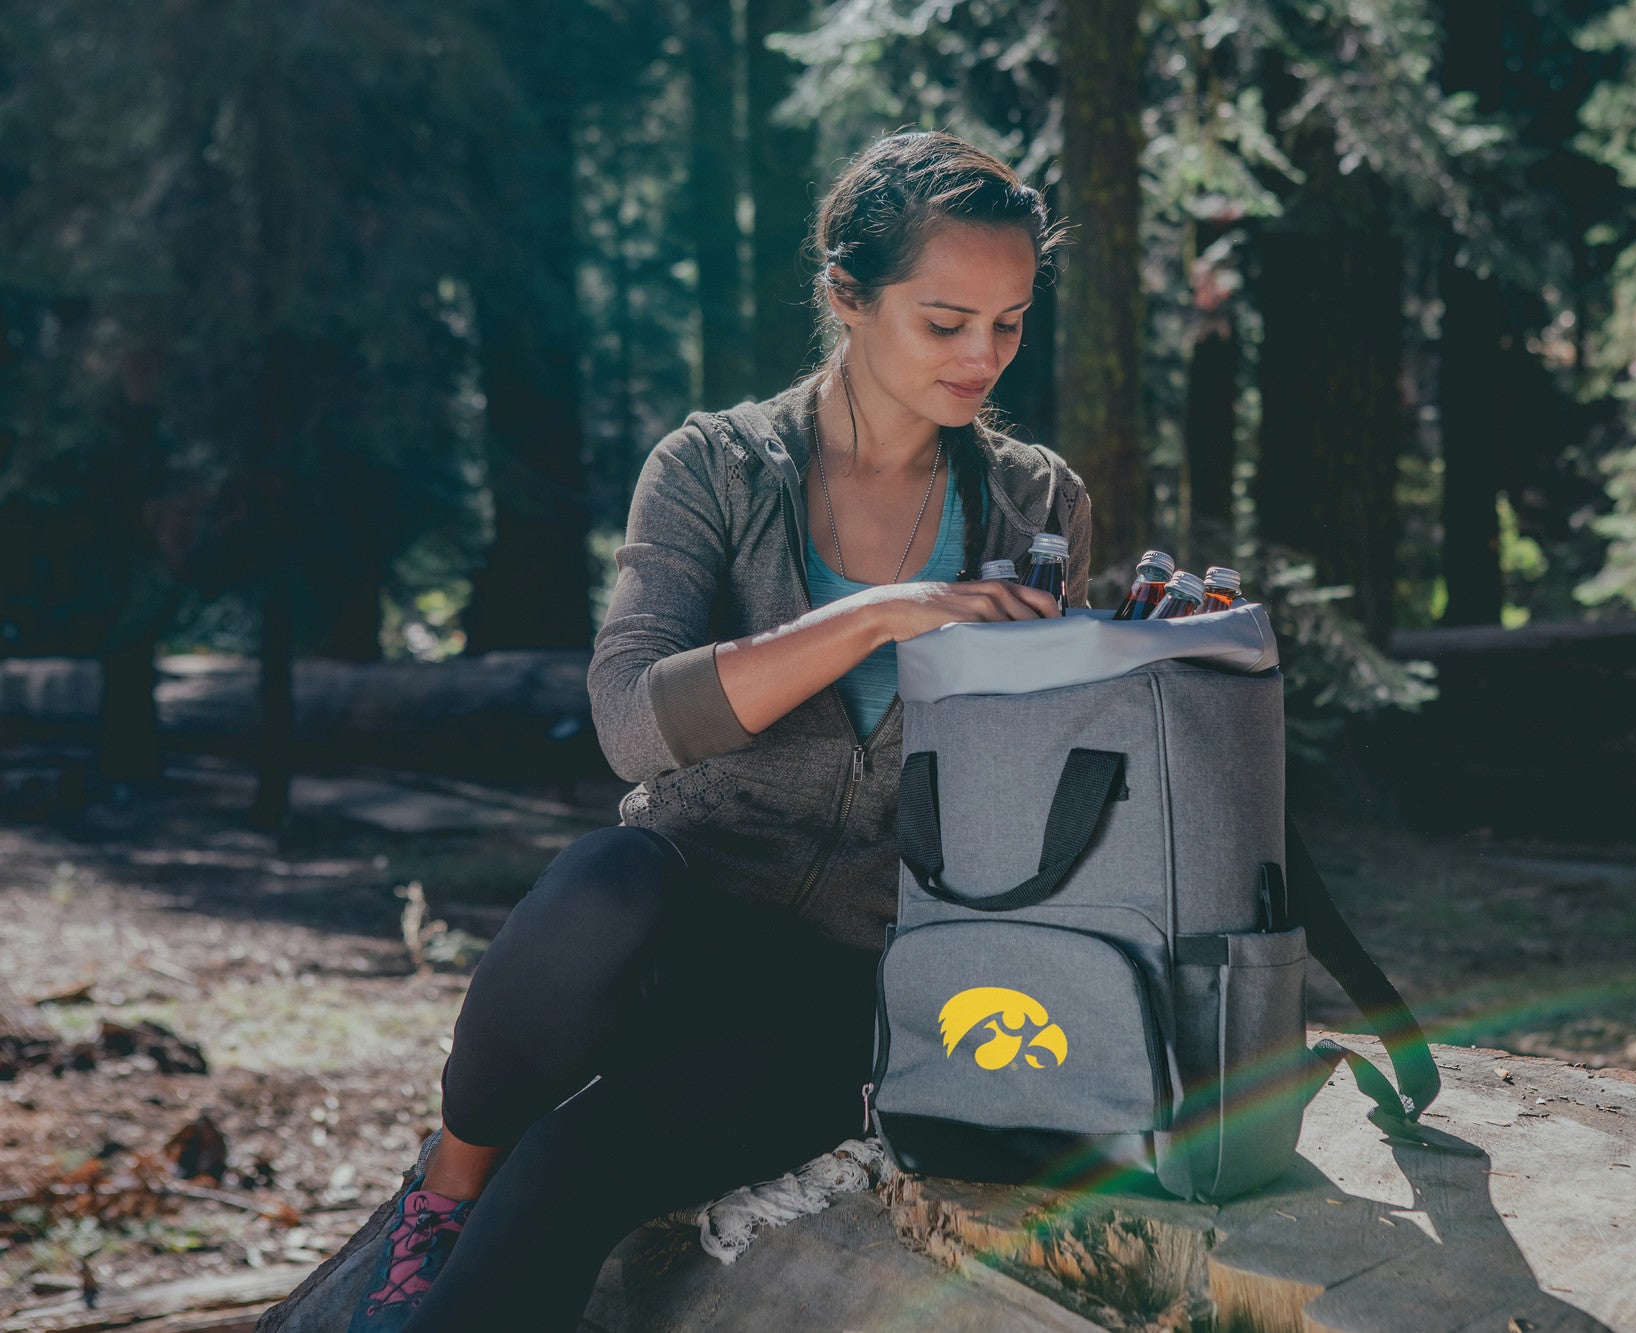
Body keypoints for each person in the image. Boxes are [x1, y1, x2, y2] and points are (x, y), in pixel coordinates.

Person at [261, 130, 1089, 1332]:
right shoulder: (713, 467)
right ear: (845, 297)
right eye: (945, 318)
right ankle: (440, 1191)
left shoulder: (1034, 502)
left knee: (571, 1174)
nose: (981, 357)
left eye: (1007, 323)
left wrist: (1121, 665)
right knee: (605, 878)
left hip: (859, 989)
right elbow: (629, 722)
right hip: (664, 932)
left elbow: (1037, 782)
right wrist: (876, 617)